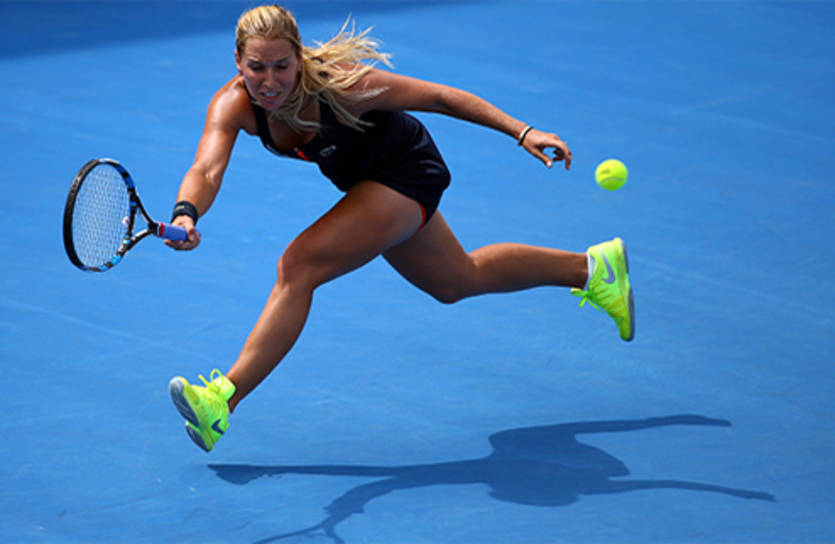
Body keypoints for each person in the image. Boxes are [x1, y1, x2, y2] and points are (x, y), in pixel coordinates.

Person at [167, 4, 634, 453]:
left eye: (281, 66)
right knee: (456, 280)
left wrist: (522, 131)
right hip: (365, 185)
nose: (269, 81)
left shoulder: (343, 85)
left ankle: (223, 400)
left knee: (299, 265)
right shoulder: (233, 104)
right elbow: (206, 170)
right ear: (238, 61)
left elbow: (439, 97)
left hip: (407, 171)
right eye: (256, 67)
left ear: (299, 58)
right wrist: (187, 213)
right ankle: (593, 269)